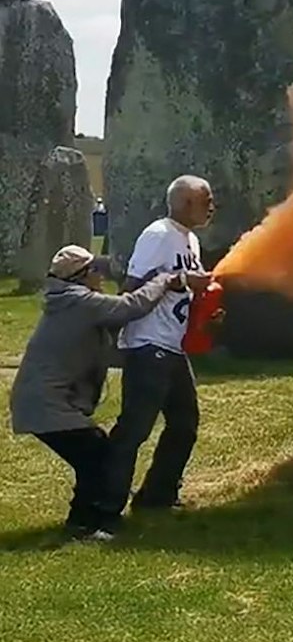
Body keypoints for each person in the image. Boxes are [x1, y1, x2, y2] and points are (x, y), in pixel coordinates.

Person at [8, 246, 188, 540]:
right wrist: (165, 280)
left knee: (94, 455)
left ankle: (82, 521)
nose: (101, 276)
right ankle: (86, 524)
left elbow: (108, 351)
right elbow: (130, 307)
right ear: (81, 276)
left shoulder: (70, 303)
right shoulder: (79, 302)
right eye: (96, 271)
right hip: (47, 404)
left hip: (42, 401)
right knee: (97, 456)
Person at [97, 175, 217, 527]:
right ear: (183, 203)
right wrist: (114, 339)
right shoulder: (159, 235)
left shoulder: (190, 240)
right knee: (134, 429)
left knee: (184, 424)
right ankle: (104, 509)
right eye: (205, 199)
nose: (212, 206)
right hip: (148, 345)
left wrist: (204, 310)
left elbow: (180, 291)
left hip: (172, 346)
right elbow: (132, 287)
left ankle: (156, 496)